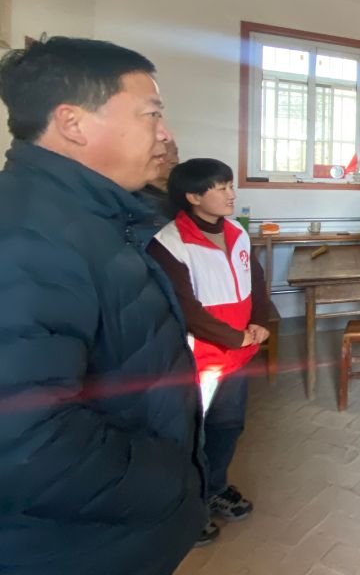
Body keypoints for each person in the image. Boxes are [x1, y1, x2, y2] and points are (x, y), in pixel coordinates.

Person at [0, 37, 205, 575]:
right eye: (151, 114)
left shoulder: (90, 218)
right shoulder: (26, 237)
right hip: (76, 547)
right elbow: (26, 446)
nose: (165, 133)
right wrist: (170, 481)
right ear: (73, 123)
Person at [147, 158, 271, 546]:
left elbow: (256, 281)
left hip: (236, 357)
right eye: (221, 188)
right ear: (193, 197)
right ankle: (188, 509)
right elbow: (186, 309)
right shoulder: (169, 243)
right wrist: (235, 337)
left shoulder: (236, 232)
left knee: (227, 426)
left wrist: (261, 320)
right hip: (198, 361)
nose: (231, 194)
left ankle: (214, 488)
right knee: (191, 437)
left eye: (231, 185)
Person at [138, 138, 179, 224]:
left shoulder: (183, 192)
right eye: (163, 155)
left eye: (175, 153)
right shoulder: (139, 202)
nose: (174, 161)